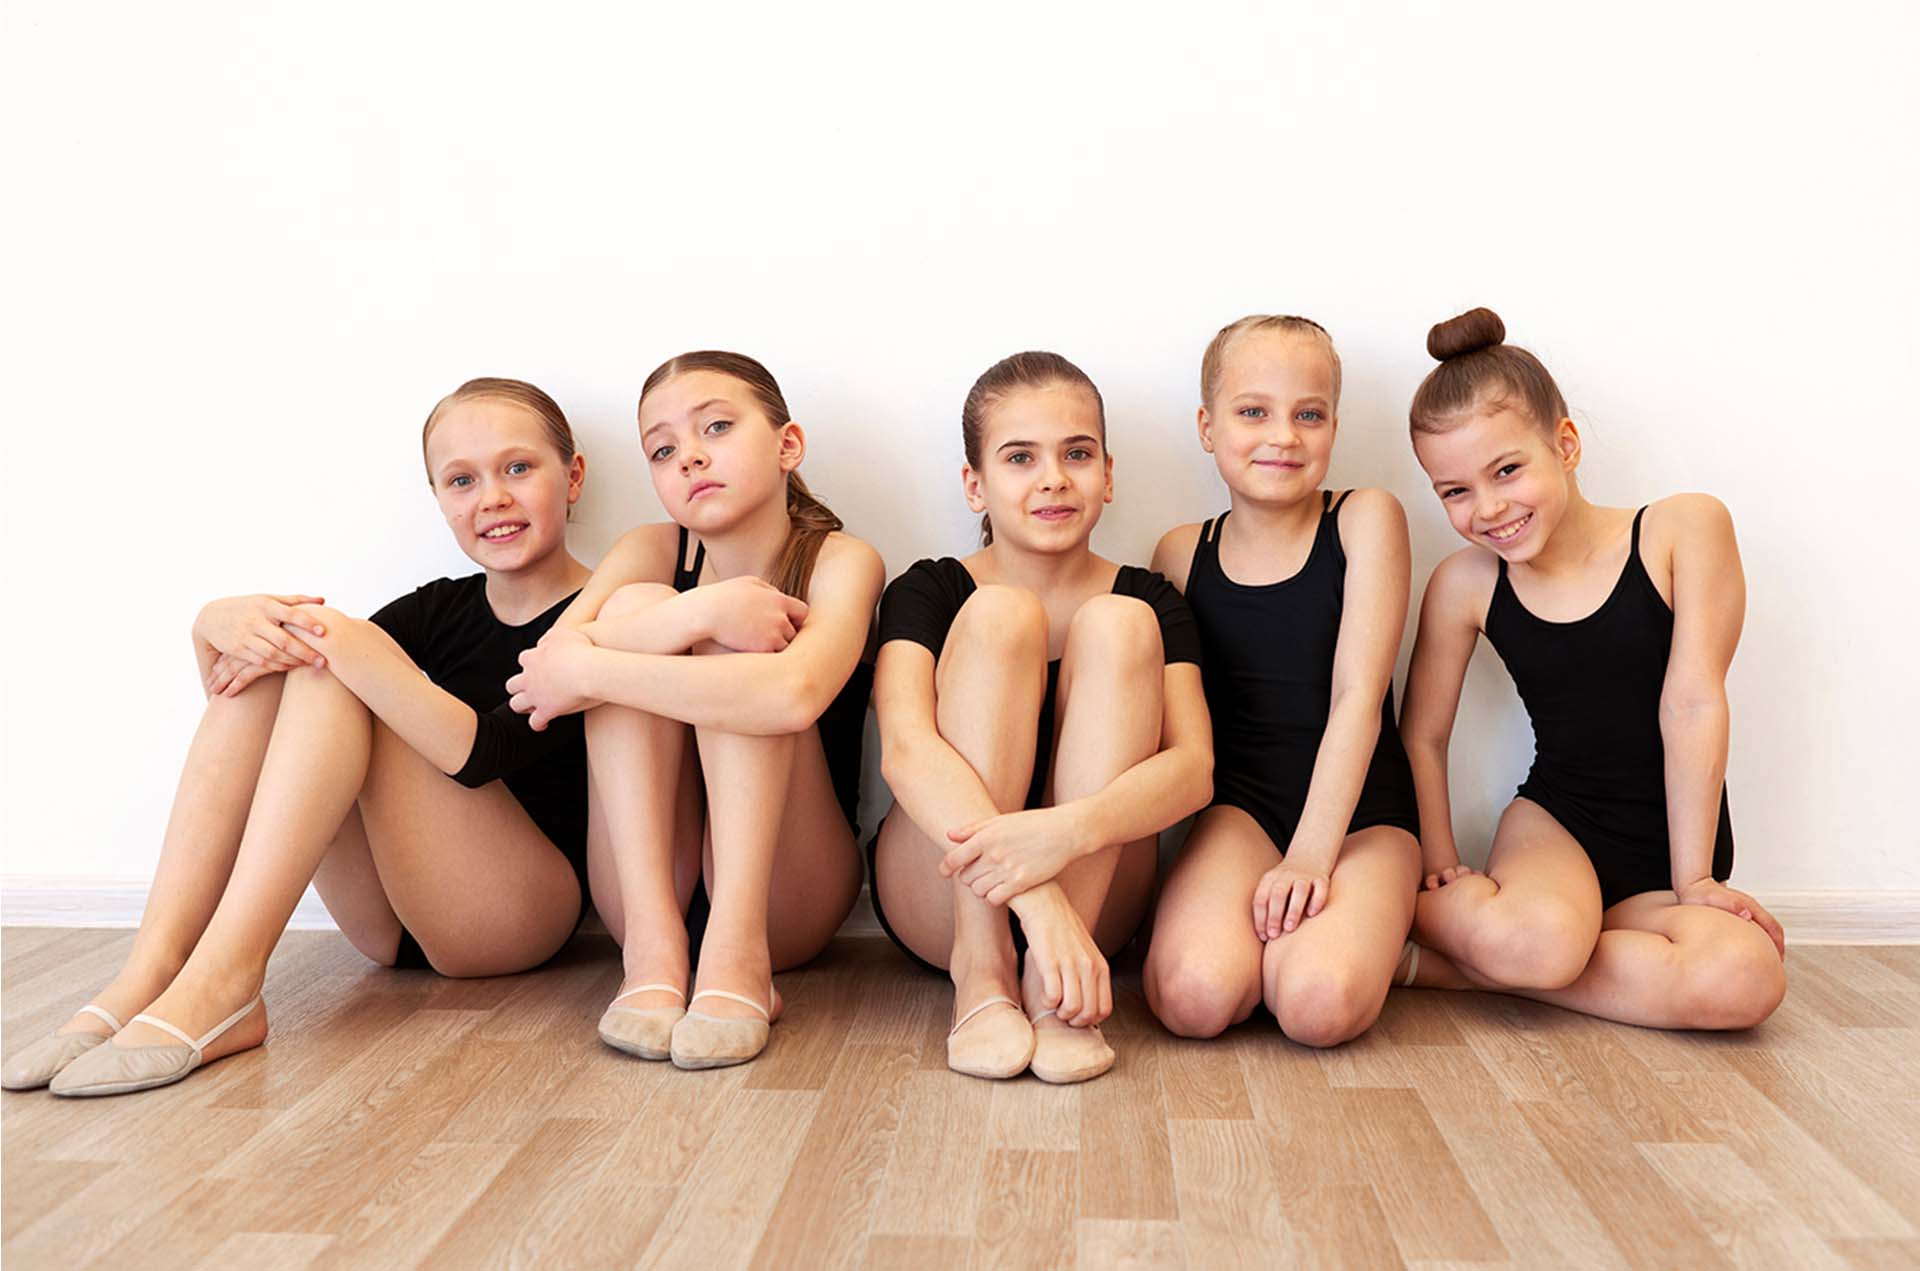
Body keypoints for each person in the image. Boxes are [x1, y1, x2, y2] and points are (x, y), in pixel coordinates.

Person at [6, 378, 599, 1097]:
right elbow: (278, 741)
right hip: (390, 923)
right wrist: (212, 626)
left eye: (518, 468)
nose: (492, 497)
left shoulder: (597, 610)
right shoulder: (439, 608)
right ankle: (152, 970)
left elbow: (485, 754)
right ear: (439, 500)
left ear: (571, 478)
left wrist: (331, 639)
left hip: (514, 916)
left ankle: (225, 979)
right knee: (299, 666)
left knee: (326, 660)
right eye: (462, 480)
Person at [1397, 307, 1786, 1029]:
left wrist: (1694, 877)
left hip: (1671, 848)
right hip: (1558, 828)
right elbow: (1423, 735)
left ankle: (1461, 968)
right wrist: (1441, 865)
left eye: (1507, 469)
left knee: (1746, 977)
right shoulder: (1465, 584)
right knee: (1541, 939)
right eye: (1453, 490)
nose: (1488, 507)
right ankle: (1491, 939)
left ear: (1565, 443)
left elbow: (1694, 703)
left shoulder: (1682, 529)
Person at [506, 351, 881, 1069]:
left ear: (787, 445)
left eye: (716, 427)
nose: (691, 458)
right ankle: (651, 957)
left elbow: (793, 693)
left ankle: (739, 958)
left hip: (784, 897)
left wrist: (604, 660)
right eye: (664, 449)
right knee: (650, 604)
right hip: (650, 890)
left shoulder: (841, 559)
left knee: (735, 634)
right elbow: (544, 674)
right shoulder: (650, 549)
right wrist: (701, 609)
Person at [869, 351, 1213, 1082]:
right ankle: (986, 972)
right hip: (941, 895)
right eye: (1020, 457)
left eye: (1077, 453)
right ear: (975, 484)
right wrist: (1034, 897)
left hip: (1096, 904)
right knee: (999, 615)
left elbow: (1193, 770)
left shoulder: (1150, 598)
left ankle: (1056, 994)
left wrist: (1062, 836)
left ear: (1108, 474)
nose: (1054, 477)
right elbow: (904, 750)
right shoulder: (928, 589)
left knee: (1118, 624)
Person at [1143, 315, 1422, 1047]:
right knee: (1192, 998)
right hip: (1243, 810)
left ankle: (1382, 943)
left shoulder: (1365, 518)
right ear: (1208, 426)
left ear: (1333, 424)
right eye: (1253, 412)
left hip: (1361, 813)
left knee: (1314, 1004)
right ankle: (1279, 948)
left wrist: (1311, 856)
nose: (1284, 436)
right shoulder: (1180, 553)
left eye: (1309, 414)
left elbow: (1360, 696)